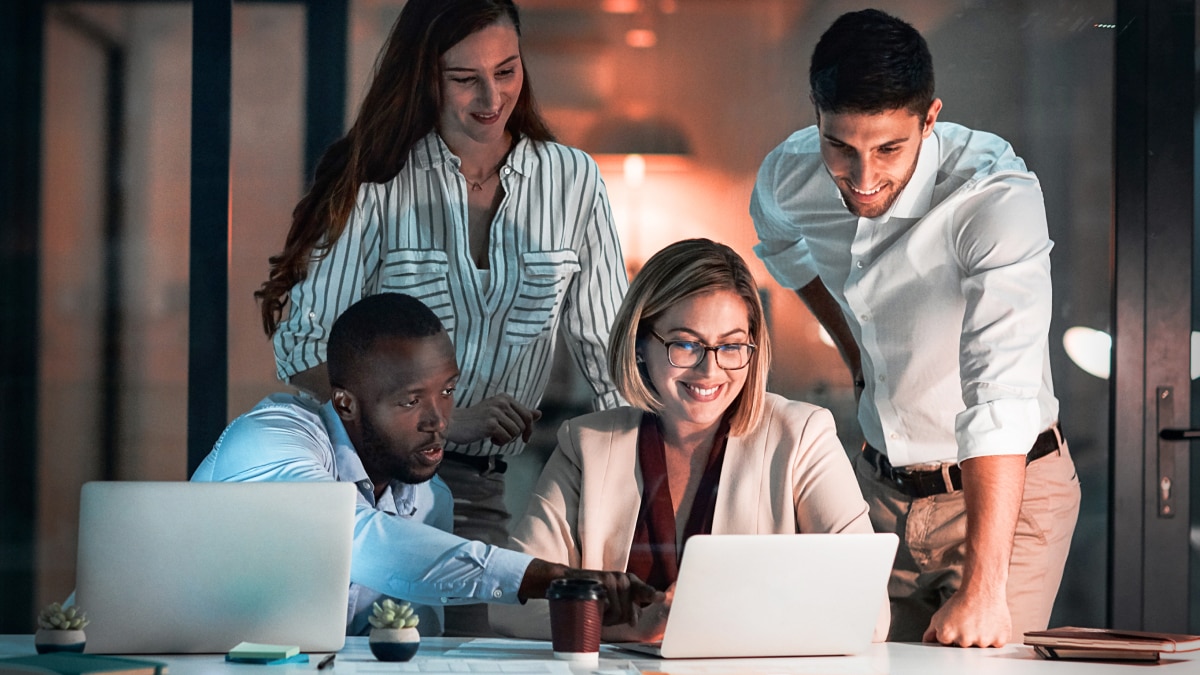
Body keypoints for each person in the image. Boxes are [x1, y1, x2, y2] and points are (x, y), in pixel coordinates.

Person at [255, 0, 627, 634]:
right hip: (365, 480)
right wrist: (450, 420)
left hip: (480, 490)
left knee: (470, 650)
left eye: (507, 72)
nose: (491, 98)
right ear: (425, 75)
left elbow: (611, 360)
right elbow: (302, 348)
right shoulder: (377, 180)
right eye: (465, 79)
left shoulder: (574, 182)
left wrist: (637, 474)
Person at [749, 9, 1081, 648]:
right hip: (879, 493)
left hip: (1007, 499)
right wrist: (853, 353)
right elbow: (781, 247)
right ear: (816, 116)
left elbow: (1000, 397)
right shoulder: (788, 175)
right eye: (840, 147)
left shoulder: (995, 197)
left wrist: (984, 591)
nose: (864, 178)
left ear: (929, 119)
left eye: (888, 149)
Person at [490, 238, 886, 642]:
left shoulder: (802, 437)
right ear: (641, 344)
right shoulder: (586, 445)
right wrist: (633, 628)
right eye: (685, 344)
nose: (709, 369)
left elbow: (869, 611)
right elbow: (510, 604)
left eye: (731, 346)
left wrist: (696, 623)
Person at [192, 293, 657, 637]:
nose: (439, 420)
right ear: (345, 403)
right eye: (411, 400)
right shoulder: (271, 438)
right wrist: (543, 576)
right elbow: (345, 535)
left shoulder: (428, 498)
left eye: (448, 391)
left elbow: (405, 646)